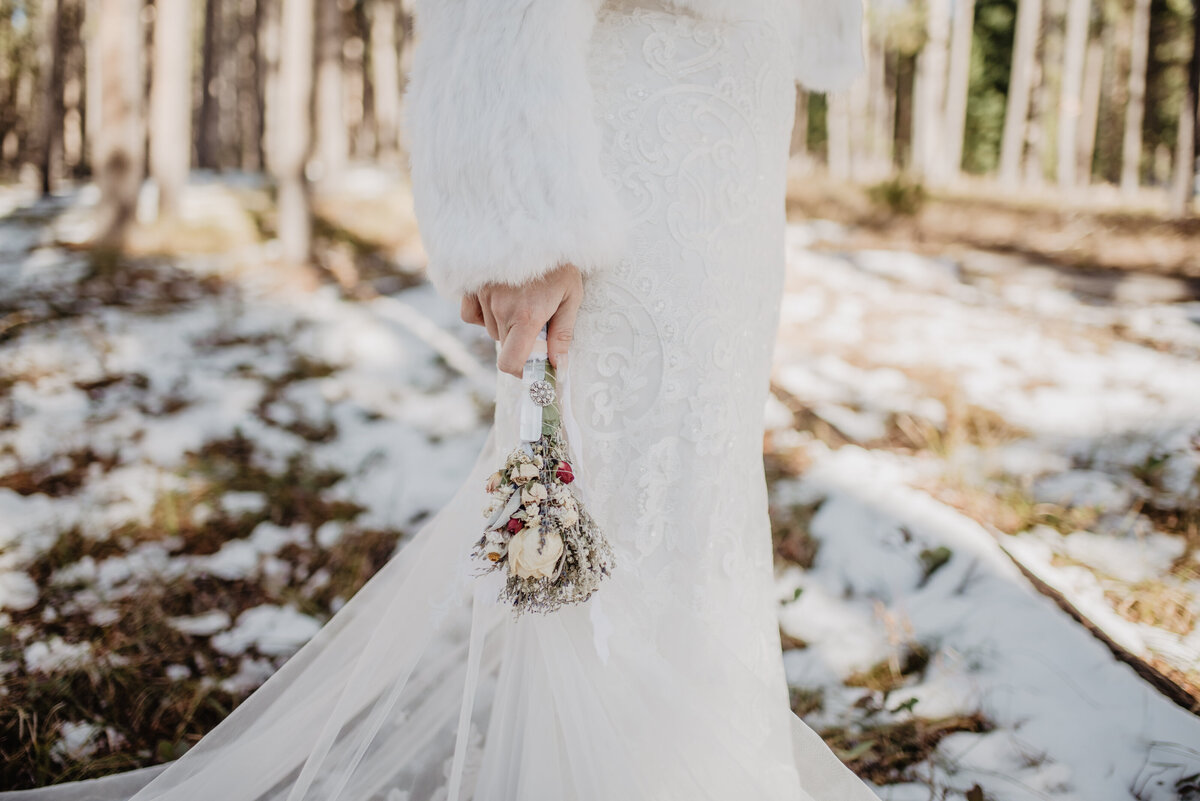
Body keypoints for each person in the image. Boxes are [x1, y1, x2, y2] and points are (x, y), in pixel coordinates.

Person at [4, 0, 881, 799]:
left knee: (705, 498)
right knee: (623, 511)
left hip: (733, 129)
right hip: (629, 133)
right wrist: (522, 214)